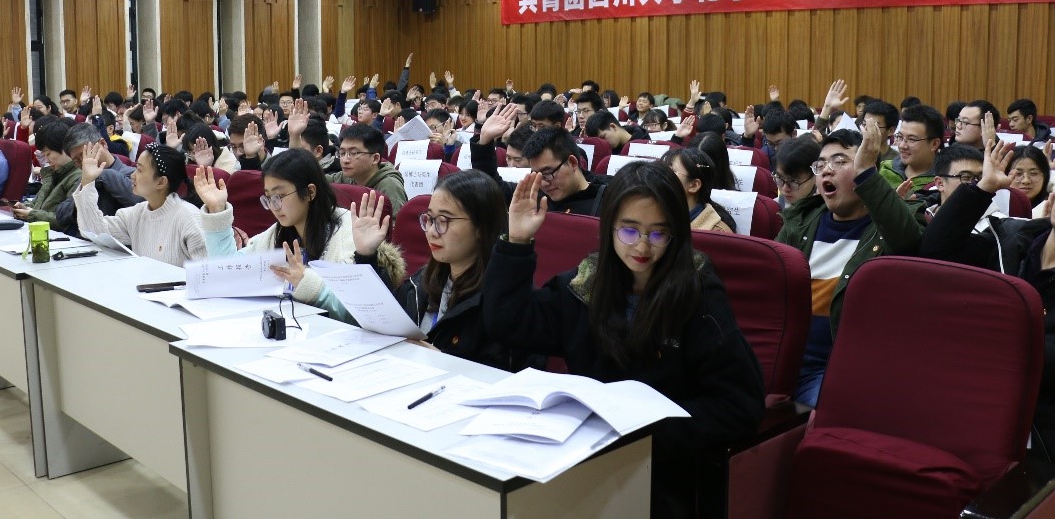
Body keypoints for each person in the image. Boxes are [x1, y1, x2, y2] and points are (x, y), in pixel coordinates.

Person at [482, 162, 765, 517]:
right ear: (609, 227)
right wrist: (518, 242)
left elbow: (740, 406)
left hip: (663, 469)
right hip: (587, 459)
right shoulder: (586, 284)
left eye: (659, 233)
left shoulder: (697, 295)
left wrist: (643, 432)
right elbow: (507, 322)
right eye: (629, 231)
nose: (642, 246)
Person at [920, 135, 1055, 518]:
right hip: (967, 391)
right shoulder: (1012, 239)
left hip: (1043, 416)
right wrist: (983, 188)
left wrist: (1017, 349)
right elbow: (936, 251)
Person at [775, 122, 924, 406]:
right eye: (820, 165)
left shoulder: (887, 226)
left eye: (840, 161)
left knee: (833, 407)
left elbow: (908, 241)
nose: (826, 170)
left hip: (834, 369)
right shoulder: (800, 220)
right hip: (780, 358)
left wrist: (866, 173)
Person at [194, 149, 406, 322]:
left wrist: (309, 285)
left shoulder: (347, 232)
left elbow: (359, 312)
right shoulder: (278, 232)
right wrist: (217, 210)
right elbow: (227, 273)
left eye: (279, 196)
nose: (274, 206)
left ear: (310, 192)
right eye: (268, 198)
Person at [362, 170, 539, 370]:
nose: (431, 231)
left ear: (481, 226)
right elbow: (384, 322)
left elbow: (506, 374)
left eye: (444, 221)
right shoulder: (423, 280)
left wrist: (443, 362)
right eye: (430, 219)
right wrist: (366, 255)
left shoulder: (505, 299)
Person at [73, 141, 205, 265]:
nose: (133, 175)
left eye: (140, 170)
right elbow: (92, 230)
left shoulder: (189, 218)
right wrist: (87, 181)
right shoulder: (136, 214)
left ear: (161, 182)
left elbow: (207, 271)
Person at [11, 118, 81, 230]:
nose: (47, 160)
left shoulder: (78, 177)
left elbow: (67, 220)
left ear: (65, 149)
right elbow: (38, 205)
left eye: (48, 154)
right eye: (44, 155)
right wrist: (25, 208)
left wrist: (31, 214)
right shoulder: (53, 173)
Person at [662, 148, 736, 232]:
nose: (661, 177)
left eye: (671, 171)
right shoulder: (656, 215)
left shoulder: (717, 232)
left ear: (694, 185)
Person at [879, 104, 943, 192]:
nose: (902, 146)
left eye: (912, 139)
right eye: (900, 137)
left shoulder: (944, 181)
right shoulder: (885, 170)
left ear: (934, 144)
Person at [773, 133, 820, 208]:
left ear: (815, 176)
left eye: (793, 182)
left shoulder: (828, 211)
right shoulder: (775, 207)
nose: (785, 189)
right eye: (780, 178)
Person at [1007, 144, 1051, 211]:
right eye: (1018, 174)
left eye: (1034, 173)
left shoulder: (1053, 208)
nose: (1026, 181)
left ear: (1045, 176)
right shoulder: (994, 206)